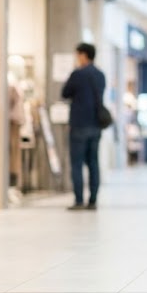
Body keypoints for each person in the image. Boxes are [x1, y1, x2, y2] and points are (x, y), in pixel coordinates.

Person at [60, 43, 106, 211]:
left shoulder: (77, 74)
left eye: (77, 55)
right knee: (93, 162)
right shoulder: (100, 75)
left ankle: (79, 200)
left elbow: (64, 93)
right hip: (96, 125)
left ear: (83, 55)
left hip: (79, 125)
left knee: (77, 163)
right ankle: (93, 200)